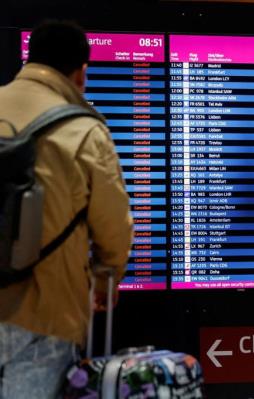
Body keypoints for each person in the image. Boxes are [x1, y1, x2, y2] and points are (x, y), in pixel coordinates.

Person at [0, 21, 132, 398]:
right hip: (43, 311)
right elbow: (113, 227)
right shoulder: (83, 131)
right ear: (81, 72)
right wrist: (106, 278)